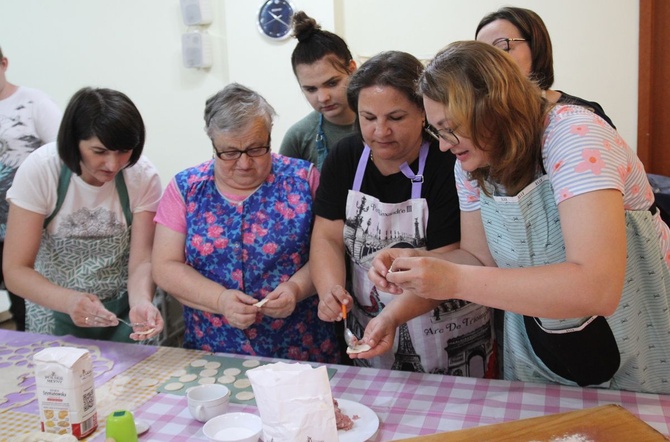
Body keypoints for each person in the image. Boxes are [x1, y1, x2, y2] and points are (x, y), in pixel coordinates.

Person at [368, 41, 670, 394]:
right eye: (437, 130)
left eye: (451, 128)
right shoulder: (472, 163)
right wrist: (411, 277)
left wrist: (453, 279)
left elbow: (597, 287)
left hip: (636, 337)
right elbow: (478, 259)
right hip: (538, 349)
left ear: (494, 108)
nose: (444, 145)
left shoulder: (574, 136)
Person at [311, 50, 497, 376]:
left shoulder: (449, 165)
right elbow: (327, 235)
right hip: (372, 330)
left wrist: (393, 316)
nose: (380, 131)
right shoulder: (345, 157)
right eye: (368, 118)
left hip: (448, 333)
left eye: (395, 118)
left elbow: (451, 261)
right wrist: (330, 290)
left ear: (423, 113)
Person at [152, 83, 338, 363]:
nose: (244, 164)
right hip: (213, 349)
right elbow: (165, 267)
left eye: (255, 149)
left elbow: (330, 249)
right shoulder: (186, 189)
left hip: (301, 346)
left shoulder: (303, 180)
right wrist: (220, 300)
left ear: (270, 137)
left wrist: (296, 289)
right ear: (213, 144)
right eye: (229, 152)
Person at [3, 87, 164, 342]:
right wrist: (69, 301)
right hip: (55, 312)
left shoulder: (142, 176)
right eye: (99, 152)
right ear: (73, 141)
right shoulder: (42, 171)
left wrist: (142, 301)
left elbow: (142, 262)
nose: (113, 164)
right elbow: (15, 270)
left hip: (124, 314)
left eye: (124, 151)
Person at [0, 45, 62, 331]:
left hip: (25, 223)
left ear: (4, 62)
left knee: (22, 300)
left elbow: (63, 155)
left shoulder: (34, 102)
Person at [475, 6, 616, 128]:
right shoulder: (473, 120)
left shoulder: (583, 114)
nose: (491, 61)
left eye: (502, 47)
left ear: (536, 46)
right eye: (482, 55)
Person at [279, 11, 357, 170]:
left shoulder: (380, 126)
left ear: (352, 70)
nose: (323, 98)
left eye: (332, 83)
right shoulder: (297, 138)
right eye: (311, 89)